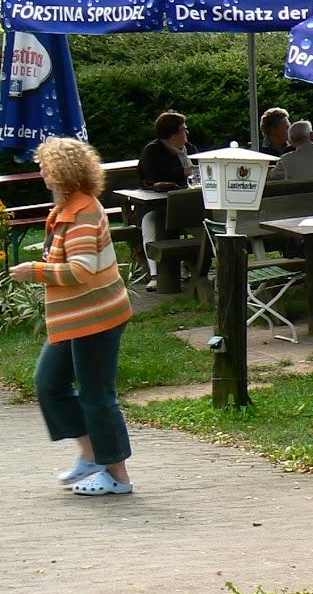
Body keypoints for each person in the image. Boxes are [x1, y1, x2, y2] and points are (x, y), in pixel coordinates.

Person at [10, 138, 134, 496]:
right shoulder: (67, 208)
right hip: (75, 318)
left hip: (97, 317)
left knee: (97, 396)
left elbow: (81, 269)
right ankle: (92, 455)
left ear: (64, 171)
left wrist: (35, 270)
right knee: (49, 384)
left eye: (46, 167)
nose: (41, 172)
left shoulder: (83, 212)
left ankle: (118, 477)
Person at [137, 109, 192, 290]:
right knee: (151, 222)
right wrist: (182, 172)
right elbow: (152, 176)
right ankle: (157, 275)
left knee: (204, 222)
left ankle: (195, 266)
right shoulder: (152, 151)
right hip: (157, 204)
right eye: (183, 128)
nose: (187, 132)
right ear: (172, 133)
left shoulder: (190, 149)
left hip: (186, 204)